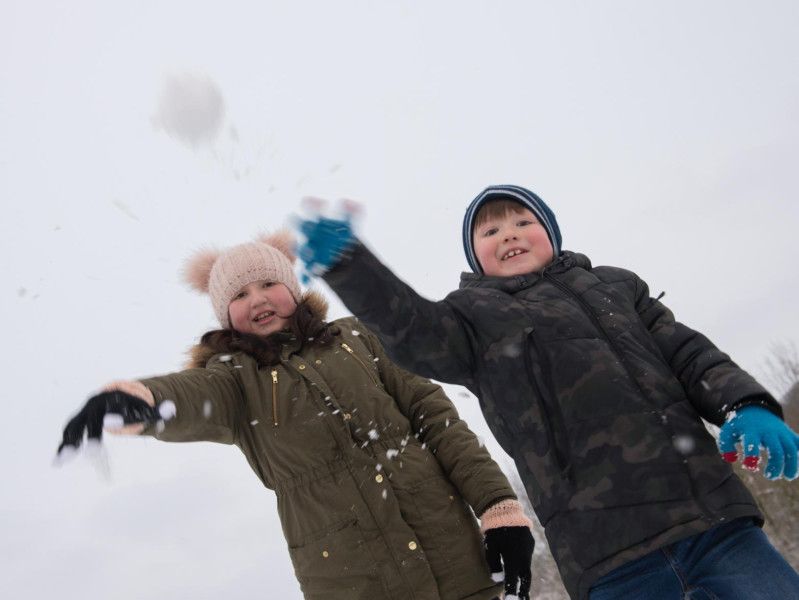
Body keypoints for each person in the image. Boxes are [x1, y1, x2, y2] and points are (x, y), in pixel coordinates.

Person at [295, 185, 799, 600]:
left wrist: (745, 404)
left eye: (522, 222)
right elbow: (410, 329)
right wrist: (350, 267)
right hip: (607, 557)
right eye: (489, 230)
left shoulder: (616, 289)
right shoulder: (472, 320)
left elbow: (688, 354)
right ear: (476, 257)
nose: (508, 234)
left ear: (551, 233)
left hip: (714, 522)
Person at [56, 231, 536, 600]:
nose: (258, 299)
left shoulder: (360, 339)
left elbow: (439, 422)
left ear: (292, 286)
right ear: (225, 314)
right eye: (239, 295)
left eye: (268, 284)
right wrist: (139, 399)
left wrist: (499, 508)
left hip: (458, 566)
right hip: (354, 582)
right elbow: (190, 395)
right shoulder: (235, 382)